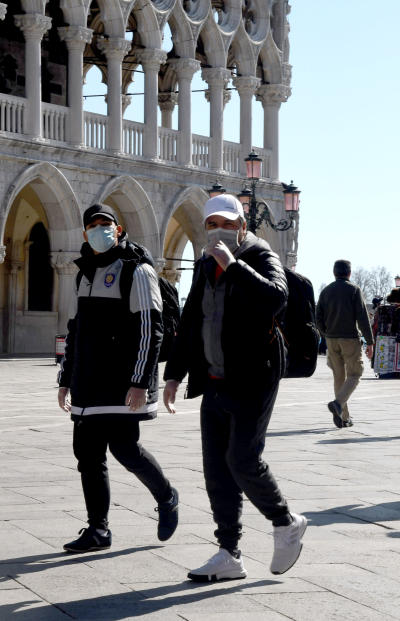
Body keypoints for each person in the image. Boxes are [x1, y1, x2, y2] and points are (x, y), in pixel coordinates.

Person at [163, 194, 306, 582]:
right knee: (216, 470)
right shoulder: (205, 264)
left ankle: (286, 522)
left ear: (242, 225)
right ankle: (229, 552)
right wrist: (174, 374)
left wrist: (235, 265)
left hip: (255, 376)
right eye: (211, 224)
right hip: (215, 379)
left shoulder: (260, 255)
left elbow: (276, 298)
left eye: (227, 223)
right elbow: (191, 319)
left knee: (243, 459)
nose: (218, 230)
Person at [57, 203, 179, 553]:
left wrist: (141, 381)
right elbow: (75, 330)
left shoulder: (136, 271)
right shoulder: (84, 274)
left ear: (119, 229)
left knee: (125, 449)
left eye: (106, 224)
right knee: (87, 454)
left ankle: (167, 496)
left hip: (122, 382)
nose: (100, 230)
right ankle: (98, 530)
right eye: (93, 225)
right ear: (85, 234)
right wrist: (65, 378)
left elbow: (149, 329)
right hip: (87, 381)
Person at [315, 260, 375, 428]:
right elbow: (362, 317)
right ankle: (338, 404)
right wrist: (370, 342)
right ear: (349, 273)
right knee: (356, 373)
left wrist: (325, 333)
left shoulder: (326, 291)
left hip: (331, 339)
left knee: (338, 377)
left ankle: (343, 417)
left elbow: (317, 316)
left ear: (334, 273)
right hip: (349, 338)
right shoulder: (354, 290)